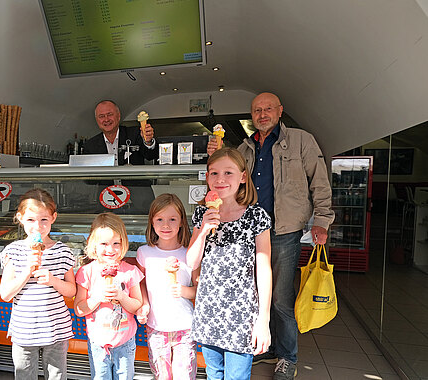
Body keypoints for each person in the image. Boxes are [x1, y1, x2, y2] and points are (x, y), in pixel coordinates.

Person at [207, 92, 334, 379]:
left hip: (284, 230)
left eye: (267, 109)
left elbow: (320, 182)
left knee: (280, 298)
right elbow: (229, 179)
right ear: (251, 116)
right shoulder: (244, 147)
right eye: (256, 110)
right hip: (248, 230)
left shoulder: (302, 140)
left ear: (280, 111)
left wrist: (323, 221)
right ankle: (265, 348)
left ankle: (287, 357)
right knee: (253, 294)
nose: (262, 114)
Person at [187, 147, 272, 380]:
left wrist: (263, 320)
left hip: (242, 313)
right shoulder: (201, 214)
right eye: (213, 173)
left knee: (237, 376)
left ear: (243, 177)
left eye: (228, 173)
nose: (220, 179)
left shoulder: (256, 216)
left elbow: (263, 269)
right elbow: (191, 261)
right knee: (214, 375)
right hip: (208, 310)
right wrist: (203, 230)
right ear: (207, 177)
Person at [0, 188, 76, 380]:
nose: (38, 227)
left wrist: (53, 280)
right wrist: (26, 271)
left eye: (44, 220)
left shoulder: (63, 252)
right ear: (20, 218)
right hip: (24, 329)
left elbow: (71, 290)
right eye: (31, 220)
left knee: (57, 375)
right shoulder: (13, 251)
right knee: (24, 375)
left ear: (53, 218)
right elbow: (6, 294)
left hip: (56, 328)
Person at [135, 193, 199, 380]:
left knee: (183, 375)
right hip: (156, 327)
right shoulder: (144, 253)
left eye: (172, 219)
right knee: (162, 375)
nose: (166, 225)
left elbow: (200, 289)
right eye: (160, 219)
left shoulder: (190, 253)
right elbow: (141, 283)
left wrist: (185, 291)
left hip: (185, 327)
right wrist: (144, 304)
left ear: (181, 223)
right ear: (152, 222)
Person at [74, 213, 144, 379]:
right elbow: (79, 309)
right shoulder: (87, 272)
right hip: (98, 343)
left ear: (123, 243)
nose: (110, 249)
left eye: (116, 243)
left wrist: (121, 296)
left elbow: (137, 305)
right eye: (104, 244)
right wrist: (97, 297)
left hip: (125, 343)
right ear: (93, 244)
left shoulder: (130, 271)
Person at [83, 100, 159, 165]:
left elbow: (151, 155)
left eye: (109, 114)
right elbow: (89, 180)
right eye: (101, 116)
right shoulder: (90, 146)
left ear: (118, 116)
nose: (106, 119)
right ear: (97, 120)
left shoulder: (135, 134)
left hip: (134, 183)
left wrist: (148, 142)